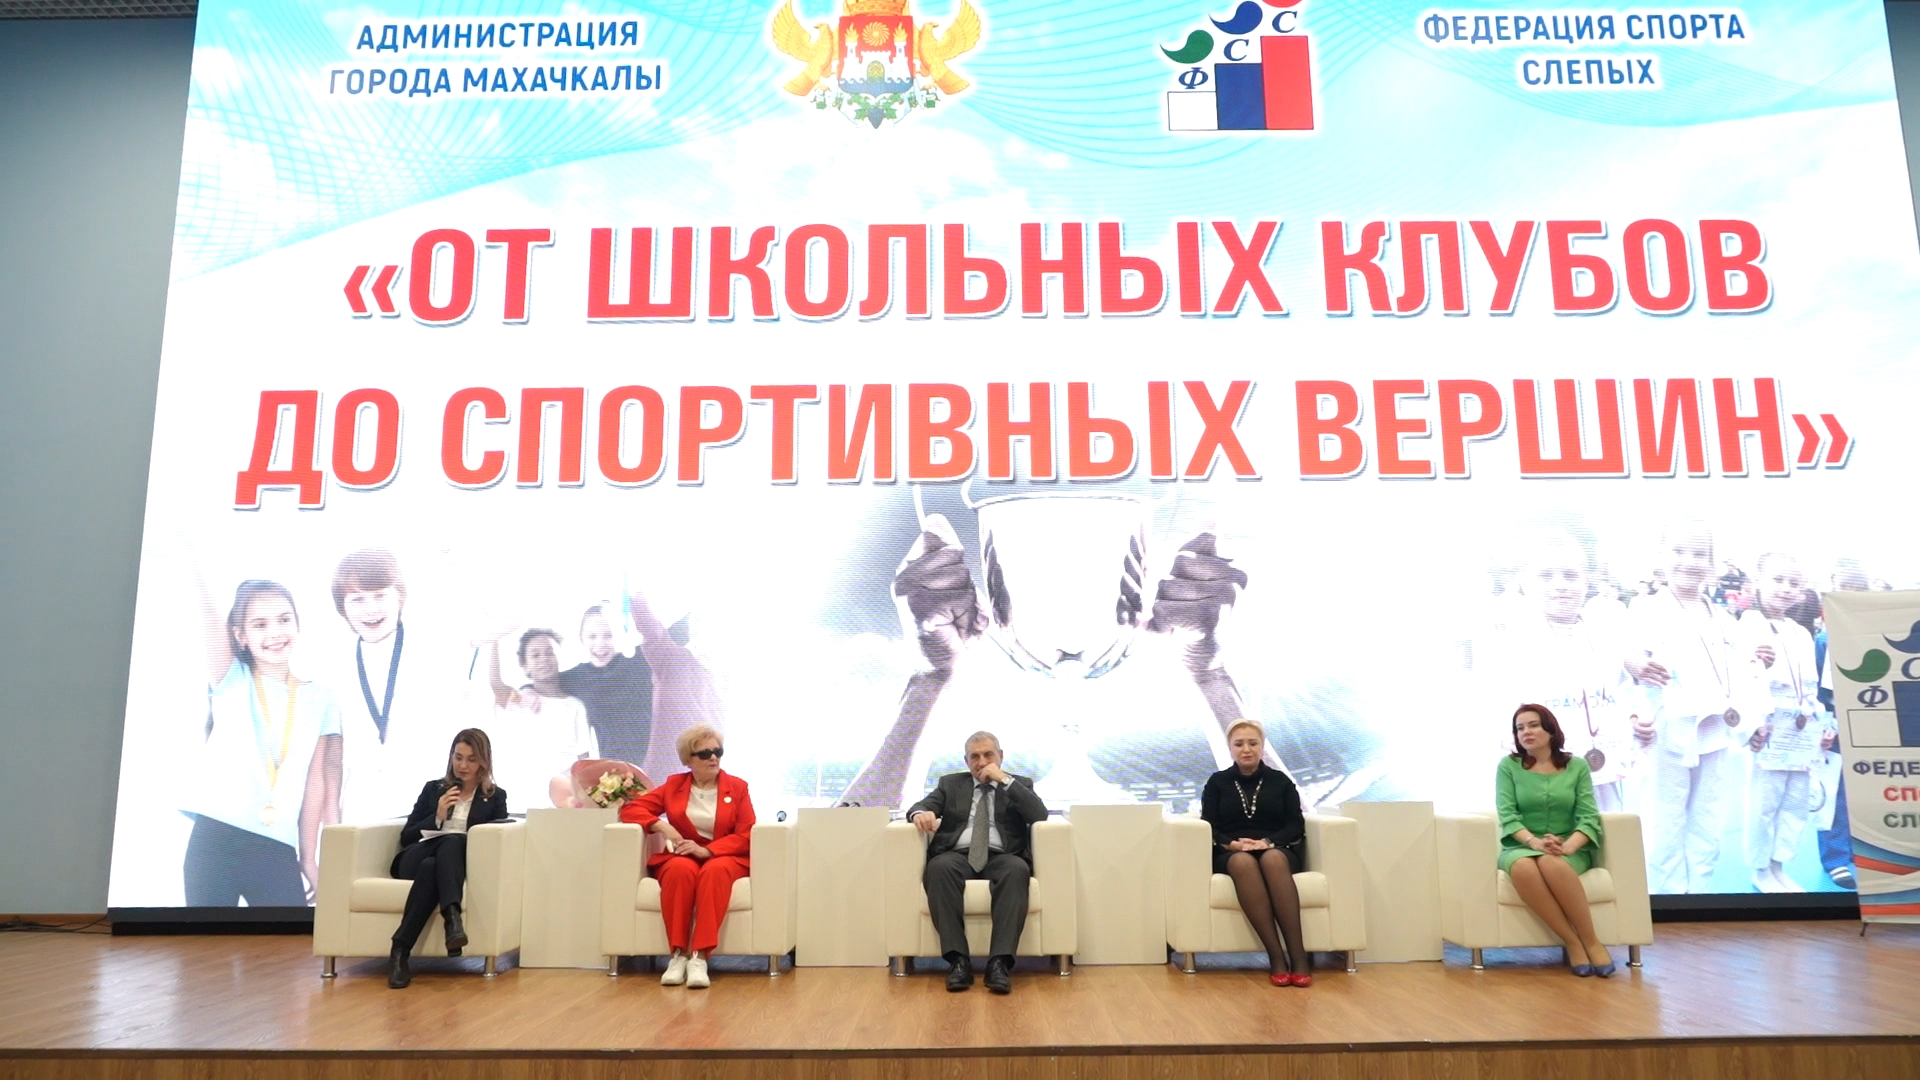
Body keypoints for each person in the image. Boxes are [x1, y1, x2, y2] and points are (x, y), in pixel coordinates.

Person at [182, 576, 342, 906]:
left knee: (290, 938)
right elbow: (209, 613)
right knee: (205, 940)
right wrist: (194, 566)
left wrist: (309, 859)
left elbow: (316, 782)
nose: (275, 633)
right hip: (214, 843)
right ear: (240, 635)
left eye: (284, 620)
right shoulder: (230, 678)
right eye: (259, 625)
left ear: (298, 623)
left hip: (276, 848)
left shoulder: (322, 698)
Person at [1621, 521, 1756, 893]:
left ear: (1712, 563)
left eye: (1699, 554)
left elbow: (1740, 675)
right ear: (1661, 557)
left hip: (1715, 726)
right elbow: (1622, 665)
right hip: (1665, 729)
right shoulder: (1644, 608)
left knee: (1708, 816)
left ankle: (1699, 893)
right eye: (1679, 552)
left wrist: (1750, 721)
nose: (1689, 561)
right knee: (1664, 817)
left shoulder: (1725, 618)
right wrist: (1632, 671)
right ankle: (1666, 898)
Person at [906, 730, 1049, 994]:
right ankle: (958, 961)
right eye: (974, 757)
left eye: (988, 755)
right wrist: (920, 814)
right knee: (939, 868)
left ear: (1000, 756)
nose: (982, 762)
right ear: (966, 760)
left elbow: (1039, 814)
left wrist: (1003, 779)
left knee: (1017, 870)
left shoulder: (1018, 784)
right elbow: (921, 806)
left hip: (1003, 855)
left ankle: (999, 964)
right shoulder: (951, 784)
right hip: (958, 855)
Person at [619, 723, 754, 989]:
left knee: (715, 871)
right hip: (683, 853)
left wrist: (708, 850)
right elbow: (631, 810)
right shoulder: (674, 786)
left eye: (717, 751)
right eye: (704, 753)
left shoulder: (737, 787)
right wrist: (661, 826)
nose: (713, 758)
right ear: (688, 760)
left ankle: (699, 957)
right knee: (679, 871)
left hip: (724, 854)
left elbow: (746, 833)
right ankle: (678, 955)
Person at [330, 549, 456, 823]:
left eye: (380, 595)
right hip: (361, 808)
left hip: (429, 805)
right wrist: (331, 824)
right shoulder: (333, 664)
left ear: (400, 596)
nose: (370, 609)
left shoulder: (434, 643)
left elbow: (509, 617)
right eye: (357, 599)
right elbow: (332, 758)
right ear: (342, 607)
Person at [1497, 704, 1613, 976]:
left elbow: (1588, 816)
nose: (1526, 732)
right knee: (1524, 866)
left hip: (1568, 847)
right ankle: (1573, 942)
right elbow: (1508, 815)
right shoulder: (1508, 766)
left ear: (1550, 730)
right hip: (1521, 846)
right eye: (1519, 728)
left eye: (1533, 725)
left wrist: (1568, 846)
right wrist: (1535, 843)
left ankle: (1592, 941)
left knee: (1550, 863)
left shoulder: (1577, 766)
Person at [387, 729, 509, 989]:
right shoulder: (434, 789)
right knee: (448, 843)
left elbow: (494, 842)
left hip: (452, 867)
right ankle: (452, 920)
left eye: (471, 759)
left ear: (483, 762)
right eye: (458, 757)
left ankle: (400, 950)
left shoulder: (495, 797)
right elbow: (407, 836)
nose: (463, 765)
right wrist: (437, 817)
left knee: (436, 864)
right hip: (415, 858)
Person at [1201, 720, 1311, 986]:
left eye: (1253, 743)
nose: (1246, 749)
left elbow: (1295, 824)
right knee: (1243, 862)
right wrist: (1232, 844)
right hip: (1232, 851)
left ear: (1262, 746)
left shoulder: (1280, 781)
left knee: (1272, 860)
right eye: (1239, 744)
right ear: (1230, 748)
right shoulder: (1217, 782)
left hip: (1276, 848)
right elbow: (1210, 824)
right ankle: (1276, 958)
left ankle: (1299, 959)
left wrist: (1268, 842)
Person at [1741, 553, 1825, 893]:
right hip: (1769, 726)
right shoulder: (1746, 624)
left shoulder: (1801, 632)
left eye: (1794, 583)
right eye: (1778, 580)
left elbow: (1811, 687)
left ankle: (1779, 865)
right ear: (1758, 582)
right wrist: (1752, 724)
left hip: (1801, 727)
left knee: (1795, 801)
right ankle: (1760, 869)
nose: (1786, 588)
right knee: (1766, 801)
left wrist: (1821, 722)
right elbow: (1742, 679)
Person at [483, 628, 598, 807]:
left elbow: (584, 761)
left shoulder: (575, 706)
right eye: (535, 655)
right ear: (525, 665)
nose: (544, 659)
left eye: (549, 652)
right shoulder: (517, 699)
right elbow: (495, 682)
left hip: (562, 808)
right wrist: (494, 637)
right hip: (519, 805)